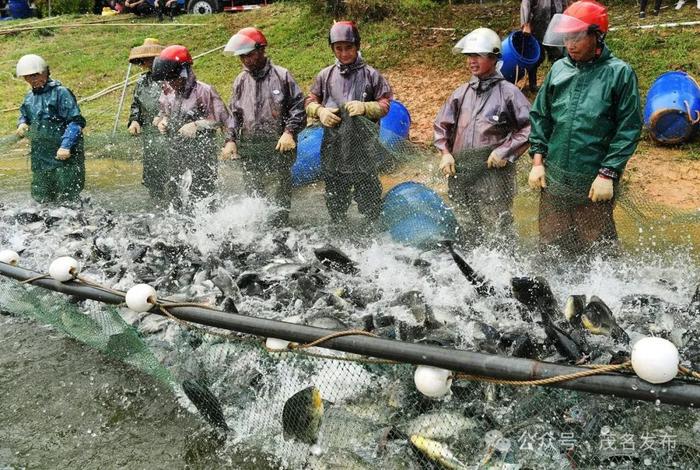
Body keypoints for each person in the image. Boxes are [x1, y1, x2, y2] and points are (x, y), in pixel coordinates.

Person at [528, 1, 642, 256]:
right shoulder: (559, 69)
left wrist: (607, 174)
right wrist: (537, 161)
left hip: (593, 180)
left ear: (597, 35)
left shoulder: (619, 74)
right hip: (555, 178)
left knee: (597, 249)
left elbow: (629, 128)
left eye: (578, 37)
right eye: (567, 37)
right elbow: (540, 116)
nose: (570, 44)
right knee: (550, 246)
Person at [434, 28, 531, 246]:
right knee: (466, 224)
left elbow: (530, 128)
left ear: (494, 57)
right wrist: (445, 153)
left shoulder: (509, 93)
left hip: (494, 177)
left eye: (477, 55)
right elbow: (441, 126)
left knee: (498, 228)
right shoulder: (461, 93)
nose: (471, 61)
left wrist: (504, 150)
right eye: (469, 56)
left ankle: (504, 272)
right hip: (461, 174)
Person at [305, 21, 393, 225]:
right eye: (339, 49)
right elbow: (309, 100)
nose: (344, 54)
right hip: (333, 147)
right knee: (335, 198)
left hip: (364, 148)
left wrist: (366, 107)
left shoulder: (371, 75)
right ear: (332, 49)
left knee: (369, 199)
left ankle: (372, 231)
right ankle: (339, 228)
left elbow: (386, 103)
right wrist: (320, 111)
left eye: (349, 48)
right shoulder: (325, 75)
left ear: (357, 46)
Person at [222, 27, 305, 226]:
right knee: (254, 196)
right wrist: (230, 139)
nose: (245, 60)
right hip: (250, 147)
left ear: (261, 50)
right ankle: (259, 235)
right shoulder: (241, 80)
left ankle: (281, 231)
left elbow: (298, 107)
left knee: (279, 196)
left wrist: (289, 132)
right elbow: (234, 113)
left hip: (278, 145)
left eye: (249, 55)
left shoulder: (282, 76)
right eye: (241, 57)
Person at [151, 45, 232, 205]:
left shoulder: (204, 91)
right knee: (174, 195)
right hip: (175, 153)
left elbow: (222, 119)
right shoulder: (168, 91)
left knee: (201, 196)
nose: (171, 83)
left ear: (184, 72)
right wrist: (163, 121)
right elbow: (163, 113)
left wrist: (196, 125)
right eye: (168, 79)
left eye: (173, 79)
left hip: (201, 156)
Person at [15, 54, 86, 204]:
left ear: (46, 72)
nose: (32, 79)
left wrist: (66, 146)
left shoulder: (61, 93)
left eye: (35, 75)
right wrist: (22, 123)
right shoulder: (29, 97)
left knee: (68, 196)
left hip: (64, 157)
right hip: (40, 157)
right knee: (41, 196)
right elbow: (24, 114)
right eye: (27, 77)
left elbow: (75, 121)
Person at [127, 38, 167, 200]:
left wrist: (164, 117)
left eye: (152, 59)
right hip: (150, 134)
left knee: (171, 170)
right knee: (153, 173)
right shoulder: (142, 81)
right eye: (146, 60)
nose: (149, 63)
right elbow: (136, 104)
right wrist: (135, 120)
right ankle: (156, 202)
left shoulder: (170, 78)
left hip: (168, 130)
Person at [520, 0, 565, 92]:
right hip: (538, 26)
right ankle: (533, 84)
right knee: (538, 57)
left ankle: (557, 83)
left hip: (555, 26)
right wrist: (526, 23)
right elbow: (526, 3)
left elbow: (564, 5)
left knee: (558, 56)